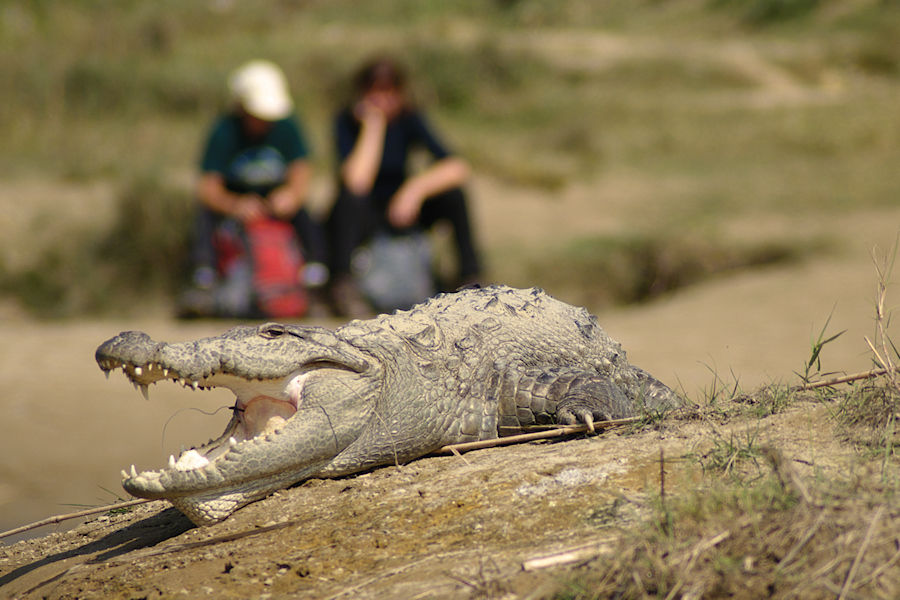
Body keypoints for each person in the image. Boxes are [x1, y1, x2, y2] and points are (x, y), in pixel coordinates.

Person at [325, 57, 483, 317]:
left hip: (401, 207)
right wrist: (373, 127)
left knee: (454, 196)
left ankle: (470, 277)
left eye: (389, 91)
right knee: (348, 200)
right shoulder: (345, 122)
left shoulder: (409, 119)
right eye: (374, 90)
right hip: (364, 213)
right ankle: (342, 285)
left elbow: (457, 167)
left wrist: (415, 189)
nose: (382, 99)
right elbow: (357, 181)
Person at [183, 59, 329, 317]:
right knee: (203, 215)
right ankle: (203, 278)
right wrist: (234, 205)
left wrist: (291, 196)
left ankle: (315, 278)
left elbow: (302, 171)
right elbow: (207, 188)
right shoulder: (224, 131)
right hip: (236, 204)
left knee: (306, 214)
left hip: (276, 203)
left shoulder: (287, 126)